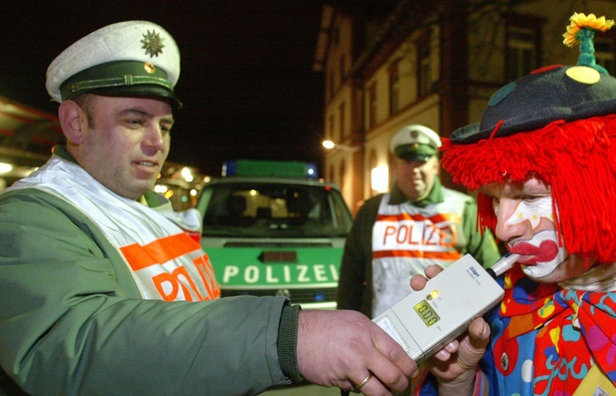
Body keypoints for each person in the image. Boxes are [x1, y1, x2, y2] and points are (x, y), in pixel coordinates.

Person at [0, 21, 418, 395]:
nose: (156, 141)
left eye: (164, 125)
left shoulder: (147, 208)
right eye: (134, 120)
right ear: (75, 122)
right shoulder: (31, 217)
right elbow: (72, 345)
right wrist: (285, 338)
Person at [408, 12, 616, 395]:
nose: (502, 228)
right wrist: (457, 379)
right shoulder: (501, 305)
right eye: (495, 202)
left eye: (530, 196)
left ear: (614, 186)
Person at [337, 124, 501, 319]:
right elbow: (350, 280)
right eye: (406, 162)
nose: (414, 170)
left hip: (446, 337)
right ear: (395, 166)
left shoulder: (463, 208)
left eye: (421, 161)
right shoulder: (372, 210)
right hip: (381, 334)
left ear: (435, 166)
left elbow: (491, 273)